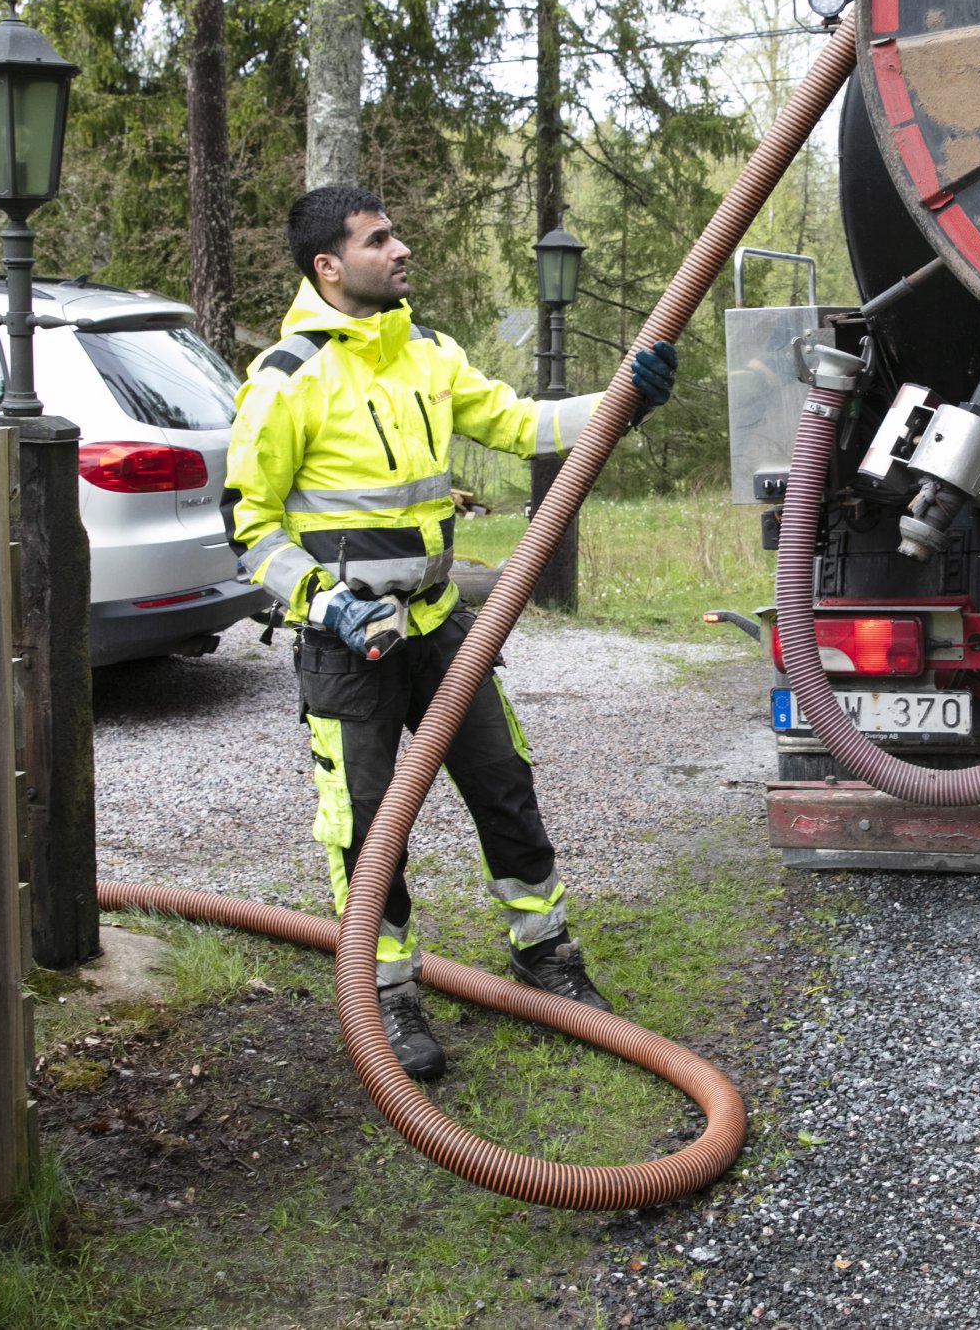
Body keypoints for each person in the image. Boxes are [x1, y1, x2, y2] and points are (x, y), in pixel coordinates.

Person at [225, 183, 677, 1080]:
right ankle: (385, 996)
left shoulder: (428, 352)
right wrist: (323, 600)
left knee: (503, 783)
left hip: (438, 629)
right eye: (378, 240)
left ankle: (543, 957)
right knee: (364, 826)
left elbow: (520, 424)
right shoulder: (288, 377)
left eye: (396, 234)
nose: (400, 251)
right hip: (347, 648)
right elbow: (249, 522)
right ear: (329, 266)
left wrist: (622, 396)